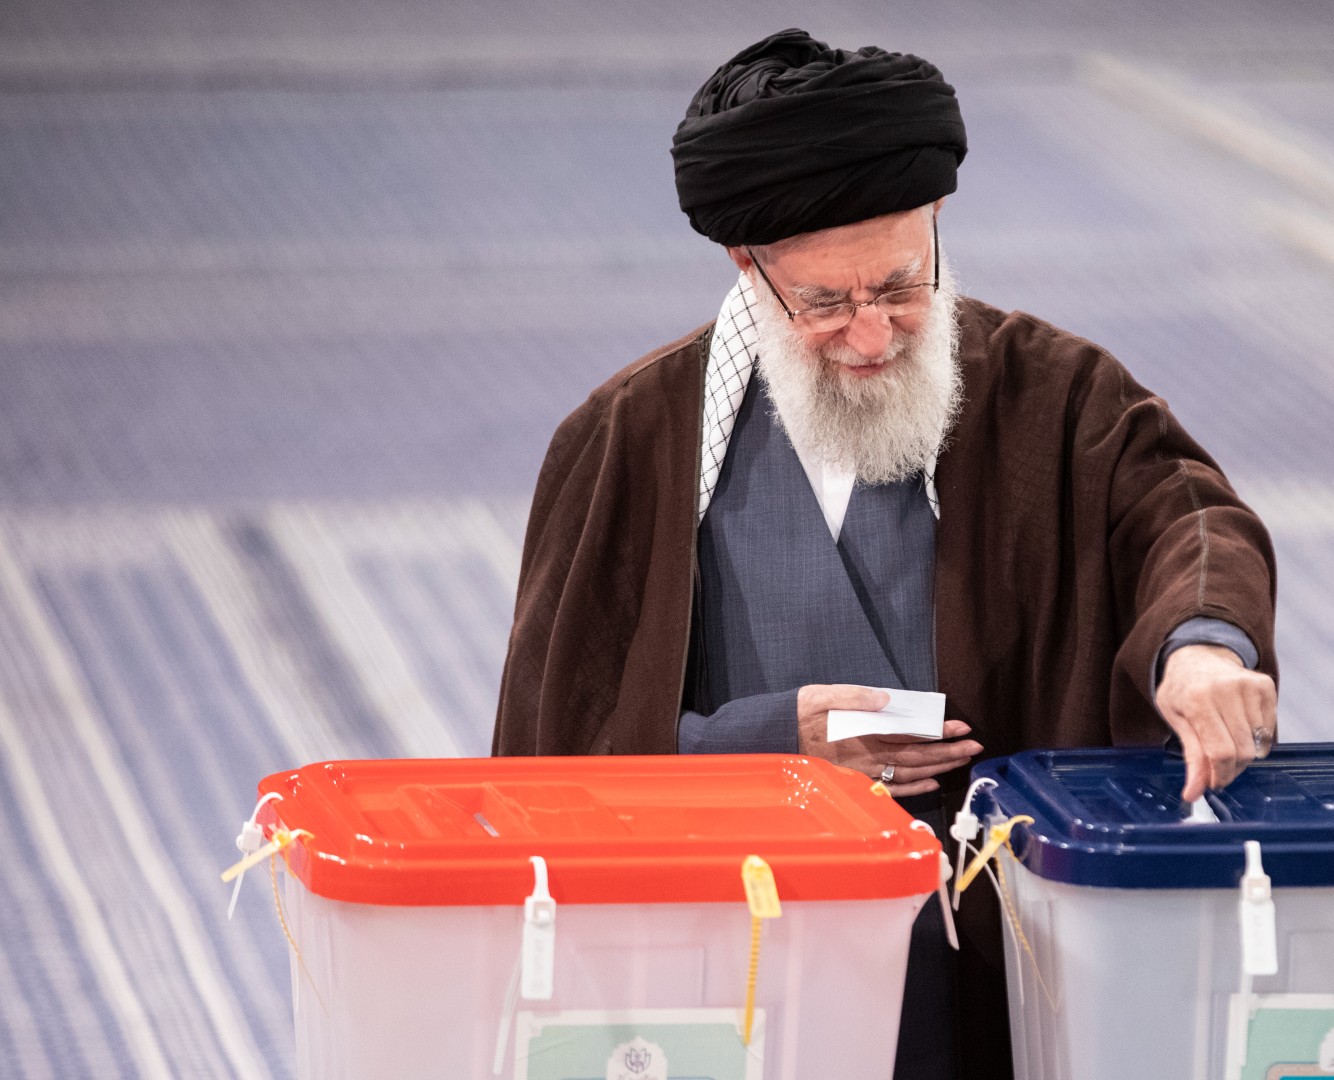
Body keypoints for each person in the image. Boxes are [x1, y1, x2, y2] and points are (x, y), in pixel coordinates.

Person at [492, 28, 1279, 1080]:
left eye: (902, 287)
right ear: (747, 265)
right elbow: (557, 757)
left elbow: (1186, 518)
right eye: (826, 304)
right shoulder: (629, 441)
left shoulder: (1055, 391)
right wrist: (768, 740)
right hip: (743, 964)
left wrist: (1203, 645)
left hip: (998, 964)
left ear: (938, 224)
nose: (872, 334)